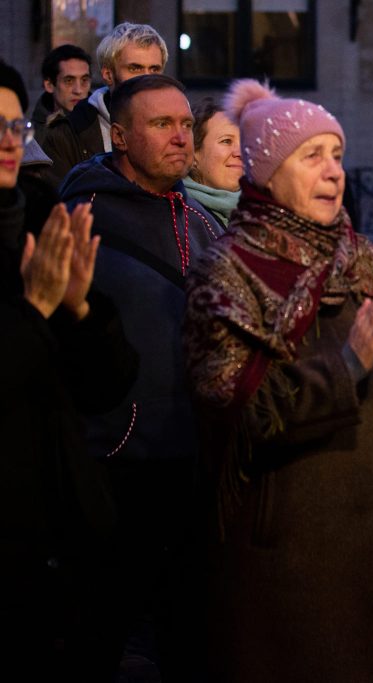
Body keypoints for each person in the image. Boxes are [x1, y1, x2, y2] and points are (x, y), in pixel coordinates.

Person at [182, 79, 373, 682]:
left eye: (337, 155)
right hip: (291, 562)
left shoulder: (360, 258)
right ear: (266, 170)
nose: (333, 171)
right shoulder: (226, 269)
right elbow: (237, 411)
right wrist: (349, 366)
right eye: (312, 156)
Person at [60, 73, 220, 677]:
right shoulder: (80, 215)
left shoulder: (204, 223)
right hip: (113, 466)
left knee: (189, 640)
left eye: (185, 124)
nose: (181, 138)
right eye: (162, 125)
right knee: (99, 637)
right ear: (121, 136)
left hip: (193, 465)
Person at [0, 59, 137, 680]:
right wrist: (34, 309)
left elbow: (106, 384)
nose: (9, 140)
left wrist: (81, 308)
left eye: (12, 124)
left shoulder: (40, 216)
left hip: (59, 526)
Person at [43, 22, 166, 185]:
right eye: (135, 68)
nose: (146, 79)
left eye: (154, 69)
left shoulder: (178, 131)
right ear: (108, 75)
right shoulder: (65, 136)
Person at [183, 97, 243, 228]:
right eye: (226, 141)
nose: (240, 153)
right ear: (193, 154)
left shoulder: (259, 214)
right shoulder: (179, 218)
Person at [31, 44, 93, 146]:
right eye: (69, 81)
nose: (78, 90)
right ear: (49, 85)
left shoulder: (104, 121)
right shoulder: (33, 136)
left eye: (84, 80)